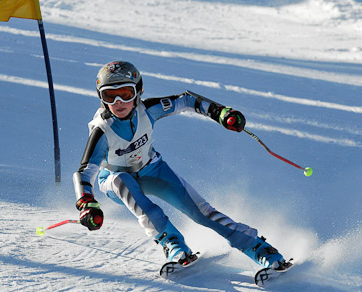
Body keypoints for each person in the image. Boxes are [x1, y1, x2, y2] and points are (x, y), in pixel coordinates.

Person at [73, 60, 288, 270]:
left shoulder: (147, 110)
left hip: (151, 169)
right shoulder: (102, 130)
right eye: (110, 95)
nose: (118, 102)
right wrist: (86, 203)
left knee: (202, 212)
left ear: (138, 92)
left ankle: (259, 248)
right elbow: (85, 171)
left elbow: (186, 101)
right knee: (124, 182)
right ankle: (172, 243)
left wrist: (221, 113)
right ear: (101, 98)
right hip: (114, 180)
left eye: (126, 94)